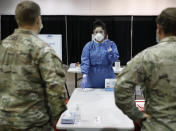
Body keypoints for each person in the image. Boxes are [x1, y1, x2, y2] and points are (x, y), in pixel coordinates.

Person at [115, 7, 176, 131]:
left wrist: (137, 116)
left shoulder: (146, 56)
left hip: (155, 126)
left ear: (159, 28)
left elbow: (121, 88)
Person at [0, 1, 67, 131]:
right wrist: (56, 119)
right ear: (38, 19)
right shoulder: (42, 49)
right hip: (33, 124)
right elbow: (56, 89)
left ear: (18, 20)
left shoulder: (2, 46)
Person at [80, 19, 119, 88]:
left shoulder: (111, 44)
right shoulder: (89, 46)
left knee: (108, 97)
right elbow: (85, 61)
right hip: (92, 79)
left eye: (101, 32)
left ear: (105, 33)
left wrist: (109, 49)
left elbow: (114, 59)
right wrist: (84, 75)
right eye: (96, 32)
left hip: (108, 77)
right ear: (93, 33)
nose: (98, 34)